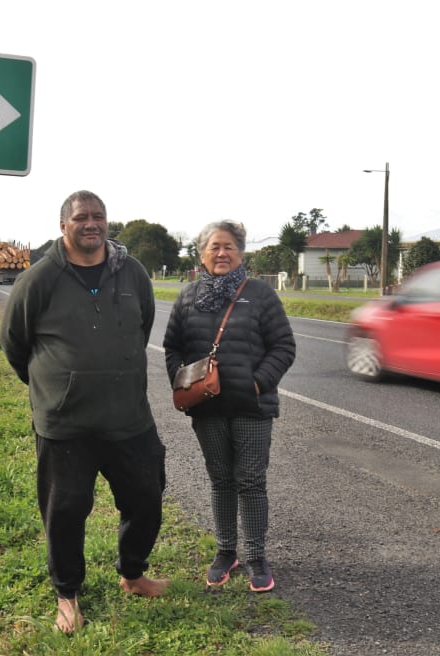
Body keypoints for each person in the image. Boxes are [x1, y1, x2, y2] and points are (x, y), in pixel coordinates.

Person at [0, 190, 169, 633]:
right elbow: (15, 345)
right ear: (63, 225)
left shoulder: (132, 273)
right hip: (66, 423)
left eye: (98, 216)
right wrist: (55, 385)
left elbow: (143, 326)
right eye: (81, 217)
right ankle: (67, 595)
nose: (91, 223)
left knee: (147, 500)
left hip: (129, 417)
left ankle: (132, 574)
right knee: (66, 511)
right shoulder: (38, 279)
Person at [163, 220, 296, 592]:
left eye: (229, 247)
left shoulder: (260, 294)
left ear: (240, 253)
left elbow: (284, 347)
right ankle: (225, 552)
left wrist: (257, 382)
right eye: (214, 247)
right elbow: (172, 346)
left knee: (251, 482)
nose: (221, 253)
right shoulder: (188, 296)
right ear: (202, 254)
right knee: (221, 480)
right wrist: (183, 380)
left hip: (252, 407)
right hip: (206, 407)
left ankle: (256, 556)